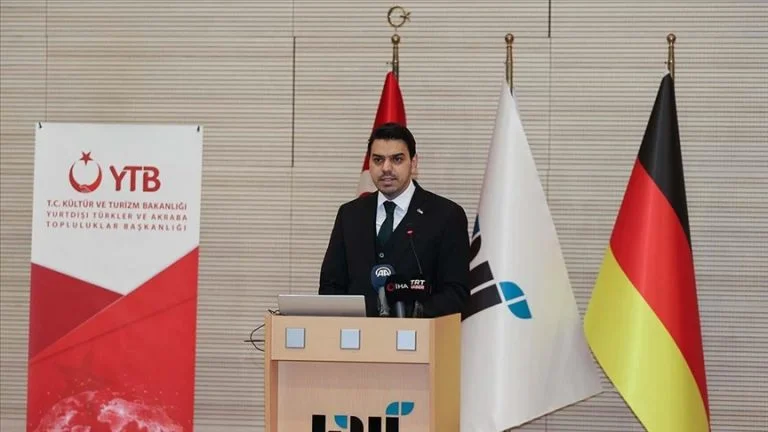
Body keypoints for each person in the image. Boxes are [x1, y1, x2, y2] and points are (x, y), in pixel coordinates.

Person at [319, 122, 470, 318]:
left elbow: (457, 294)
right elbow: (330, 287)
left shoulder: (446, 215)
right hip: (356, 334)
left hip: (419, 333)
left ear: (413, 163)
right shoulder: (350, 215)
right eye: (378, 160)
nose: (386, 168)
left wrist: (413, 314)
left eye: (397, 159)